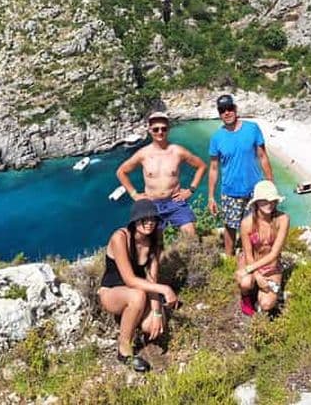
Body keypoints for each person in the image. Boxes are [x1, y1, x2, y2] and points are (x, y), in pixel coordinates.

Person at [98, 199, 179, 372]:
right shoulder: (120, 238)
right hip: (112, 292)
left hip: (139, 291)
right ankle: (124, 349)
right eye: (144, 218)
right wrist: (166, 289)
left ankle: (131, 316)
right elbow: (130, 280)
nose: (149, 222)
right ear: (135, 220)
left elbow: (152, 279)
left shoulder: (155, 238)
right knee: (137, 295)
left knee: (154, 327)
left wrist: (157, 313)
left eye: (153, 218)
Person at [117, 112, 207, 236]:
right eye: (156, 129)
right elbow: (121, 172)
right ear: (149, 130)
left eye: (163, 129)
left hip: (176, 201)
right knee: (155, 243)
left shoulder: (178, 151)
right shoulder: (143, 154)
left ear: (168, 129)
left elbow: (201, 166)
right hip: (152, 204)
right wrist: (134, 194)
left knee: (191, 234)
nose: (160, 132)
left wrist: (191, 190)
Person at [208, 95, 274, 256]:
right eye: (222, 110)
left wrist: (270, 183)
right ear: (219, 113)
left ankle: (256, 255)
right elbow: (214, 168)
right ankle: (230, 258)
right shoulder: (217, 138)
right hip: (230, 191)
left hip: (255, 190)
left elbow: (263, 156)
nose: (227, 113)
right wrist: (211, 196)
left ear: (235, 109)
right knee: (230, 227)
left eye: (229, 108)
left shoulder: (252, 128)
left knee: (257, 224)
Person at [236, 180, 290, 315]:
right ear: (256, 202)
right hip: (252, 261)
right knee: (245, 282)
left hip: (271, 265)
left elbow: (274, 254)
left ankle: (261, 294)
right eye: (264, 200)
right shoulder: (246, 223)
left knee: (266, 304)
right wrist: (257, 275)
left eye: (272, 200)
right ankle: (247, 298)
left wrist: (249, 270)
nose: (269, 204)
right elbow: (248, 255)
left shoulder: (283, 219)